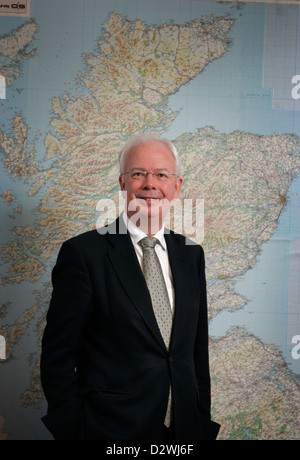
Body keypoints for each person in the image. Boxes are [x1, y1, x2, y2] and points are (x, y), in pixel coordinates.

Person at [40, 133, 220, 441]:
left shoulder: (192, 253)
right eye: (139, 174)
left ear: (175, 187)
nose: (150, 184)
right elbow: (57, 356)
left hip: (183, 431)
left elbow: (194, 353)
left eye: (161, 175)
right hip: (109, 431)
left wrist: (201, 423)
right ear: (123, 183)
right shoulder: (84, 255)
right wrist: (76, 431)